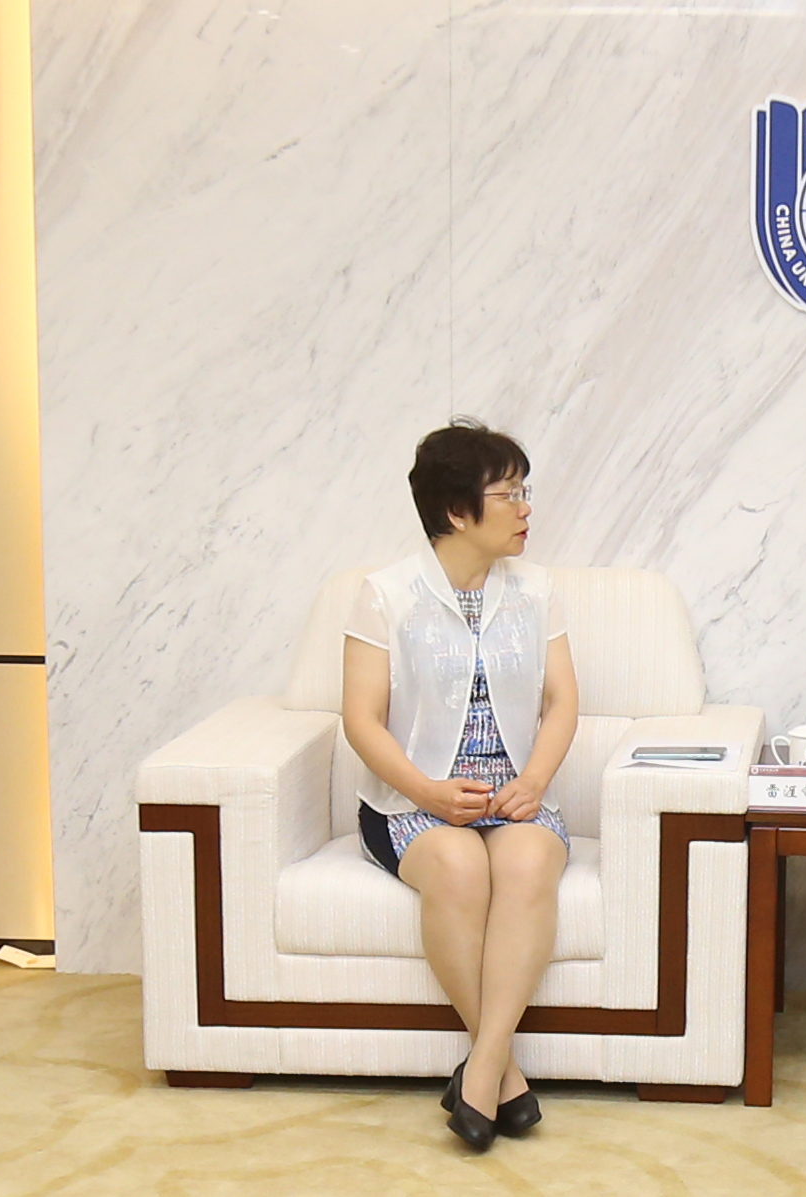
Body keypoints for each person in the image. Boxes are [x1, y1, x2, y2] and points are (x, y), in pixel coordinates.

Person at [341, 418, 579, 1151]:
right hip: (411, 800)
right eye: (509, 494)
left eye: (525, 491)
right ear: (456, 510)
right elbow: (361, 720)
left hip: (514, 795)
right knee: (457, 863)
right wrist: (428, 792)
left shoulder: (536, 590)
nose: (525, 508)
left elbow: (562, 701)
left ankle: (480, 1067)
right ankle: (503, 1075)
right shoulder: (385, 594)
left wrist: (533, 779)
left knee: (527, 861)